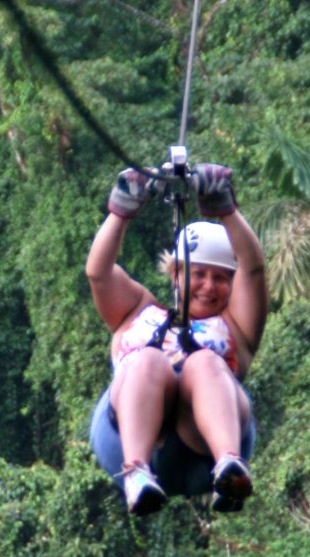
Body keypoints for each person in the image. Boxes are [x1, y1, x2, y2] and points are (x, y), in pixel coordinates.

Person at [86, 163, 268, 515]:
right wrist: (121, 211)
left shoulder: (236, 326)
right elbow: (99, 272)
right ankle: (136, 473)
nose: (209, 286)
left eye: (221, 278)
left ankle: (228, 468)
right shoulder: (136, 310)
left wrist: (225, 210)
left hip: (200, 443)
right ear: (176, 273)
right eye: (199, 274)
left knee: (203, 362)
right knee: (149, 360)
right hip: (128, 436)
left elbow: (254, 269)